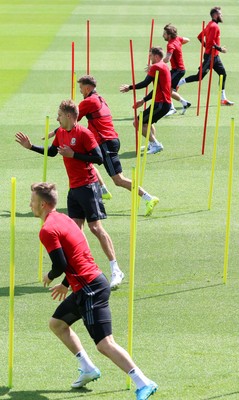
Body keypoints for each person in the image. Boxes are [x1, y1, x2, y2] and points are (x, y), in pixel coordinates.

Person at [30, 182, 158, 400]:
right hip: (86, 285)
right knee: (58, 324)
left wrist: (50, 277)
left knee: (105, 344)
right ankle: (88, 369)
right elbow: (77, 253)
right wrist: (66, 284)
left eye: (32, 201)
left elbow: (60, 264)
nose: (30, 204)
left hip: (90, 289)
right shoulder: (63, 218)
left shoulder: (47, 230)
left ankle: (143, 382)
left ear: (43, 204)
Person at [15, 100, 124, 289]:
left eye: (59, 115)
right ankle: (84, 271)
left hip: (89, 186)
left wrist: (74, 155)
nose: (57, 118)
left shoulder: (83, 133)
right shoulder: (61, 133)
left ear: (68, 116)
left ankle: (116, 269)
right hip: (74, 189)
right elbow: (51, 152)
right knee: (76, 232)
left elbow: (98, 158)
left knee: (96, 229)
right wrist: (31, 146)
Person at [49, 75, 159, 217]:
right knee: (84, 160)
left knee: (119, 180)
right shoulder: (100, 98)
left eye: (81, 88)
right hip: (109, 140)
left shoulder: (88, 101)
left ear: (88, 88)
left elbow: (72, 119)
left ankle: (148, 198)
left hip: (105, 143)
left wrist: (56, 131)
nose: (81, 91)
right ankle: (103, 190)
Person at [177, 6, 234, 106]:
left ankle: (223, 99)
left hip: (215, 57)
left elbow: (200, 37)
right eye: (220, 14)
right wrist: (220, 49)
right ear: (215, 15)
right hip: (210, 58)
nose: (222, 15)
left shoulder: (210, 25)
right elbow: (211, 43)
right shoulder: (214, 26)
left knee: (223, 74)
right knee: (199, 77)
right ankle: (179, 83)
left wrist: (206, 47)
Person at [120, 46, 171, 155]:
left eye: (151, 55)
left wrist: (129, 87)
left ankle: (156, 144)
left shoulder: (156, 67)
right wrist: (143, 100)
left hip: (161, 104)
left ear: (156, 56)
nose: (149, 57)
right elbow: (156, 89)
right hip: (163, 103)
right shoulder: (164, 66)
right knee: (147, 122)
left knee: (137, 123)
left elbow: (145, 83)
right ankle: (152, 143)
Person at [162, 23, 191, 116]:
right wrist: (179, 44)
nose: (163, 35)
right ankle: (185, 103)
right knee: (167, 89)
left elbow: (167, 59)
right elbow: (187, 39)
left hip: (177, 70)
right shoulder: (177, 39)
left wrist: (156, 64)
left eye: (165, 34)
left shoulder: (170, 44)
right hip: (178, 70)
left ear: (169, 35)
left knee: (167, 89)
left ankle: (172, 108)